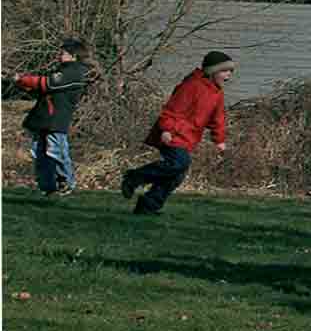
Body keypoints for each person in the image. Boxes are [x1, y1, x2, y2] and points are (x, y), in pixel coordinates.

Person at [120, 51, 235, 215]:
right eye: (225, 71)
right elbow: (172, 110)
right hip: (173, 133)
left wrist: (219, 140)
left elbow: (218, 118)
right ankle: (135, 177)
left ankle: (147, 206)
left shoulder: (216, 93)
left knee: (176, 176)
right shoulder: (191, 86)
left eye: (230, 71)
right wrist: (166, 130)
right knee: (179, 163)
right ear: (212, 71)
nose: (228, 75)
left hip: (189, 137)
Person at [13, 39, 94, 197]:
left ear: (74, 56)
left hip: (55, 120)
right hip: (44, 119)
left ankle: (66, 184)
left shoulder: (75, 71)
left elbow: (48, 83)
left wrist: (23, 79)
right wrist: (21, 83)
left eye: (63, 52)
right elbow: (40, 90)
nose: (59, 55)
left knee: (57, 152)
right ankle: (47, 187)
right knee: (40, 153)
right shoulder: (62, 70)